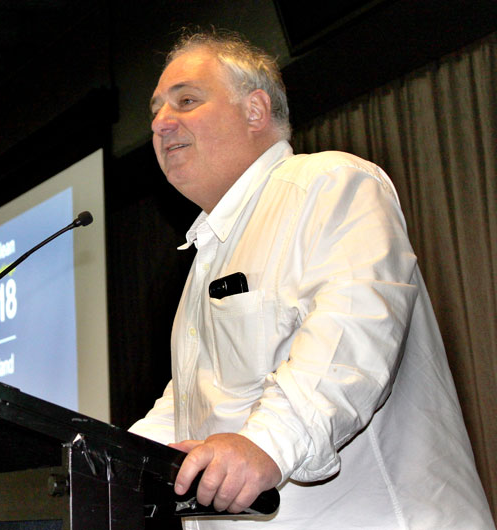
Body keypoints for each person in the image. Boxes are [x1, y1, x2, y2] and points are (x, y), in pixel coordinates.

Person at [129, 30, 495, 529]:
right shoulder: (209, 251)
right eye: (155, 110)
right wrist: (118, 459)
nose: (160, 122)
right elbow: (195, 400)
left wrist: (265, 444)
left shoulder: (329, 183)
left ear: (255, 110)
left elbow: (353, 331)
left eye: (186, 101)